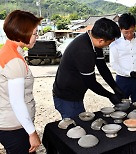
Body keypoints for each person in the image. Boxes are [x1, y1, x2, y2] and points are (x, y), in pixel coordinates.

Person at [53, 18, 124, 119]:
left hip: (76, 94)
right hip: (67, 97)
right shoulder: (84, 51)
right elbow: (90, 82)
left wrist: (115, 87)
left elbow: (102, 67)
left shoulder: (93, 41)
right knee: (76, 127)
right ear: (101, 40)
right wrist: (110, 95)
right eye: (110, 42)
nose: (110, 45)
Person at [0, 10, 43, 153]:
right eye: (35, 33)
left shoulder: (6, 50)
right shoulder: (14, 60)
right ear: (22, 32)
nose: (36, 37)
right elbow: (17, 102)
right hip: (14, 126)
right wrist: (32, 133)